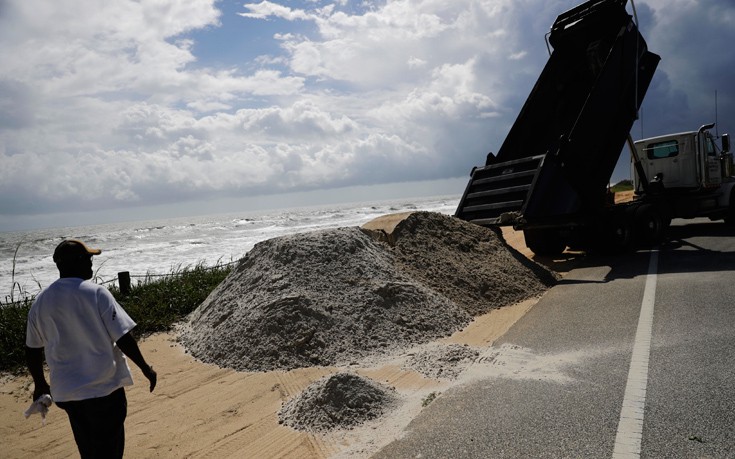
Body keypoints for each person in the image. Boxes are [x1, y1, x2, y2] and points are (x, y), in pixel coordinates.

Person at [25, 239, 157, 459]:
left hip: (67, 394)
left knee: (88, 448)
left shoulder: (41, 302)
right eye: (88, 259)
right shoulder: (96, 293)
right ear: (76, 262)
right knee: (110, 450)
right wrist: (145, 367)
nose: (91, 264)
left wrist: (40, 383)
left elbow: (32, 348)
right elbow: (123, 336)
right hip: (103, 389)